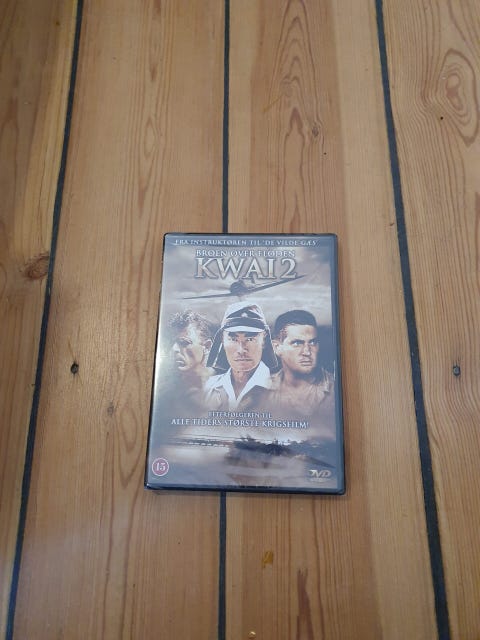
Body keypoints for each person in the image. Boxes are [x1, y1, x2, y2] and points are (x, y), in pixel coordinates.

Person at [205, 301, 277, 410]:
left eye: (250, 339)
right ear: (222, 340)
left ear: (264, 340)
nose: (241, 350)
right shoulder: (209, 387)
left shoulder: (281, 390)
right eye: (233, 339)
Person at [270, 310, 334, 420]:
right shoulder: (260, 389)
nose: (307, 352)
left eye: (312, 342)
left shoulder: (337, 389)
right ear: (277, 348)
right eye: (297, 343)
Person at [164, 310, 214, 413]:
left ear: (207, 346)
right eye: (171, 343)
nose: (174, 349)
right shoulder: (163, 395)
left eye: (184, 342)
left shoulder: (227, 389)